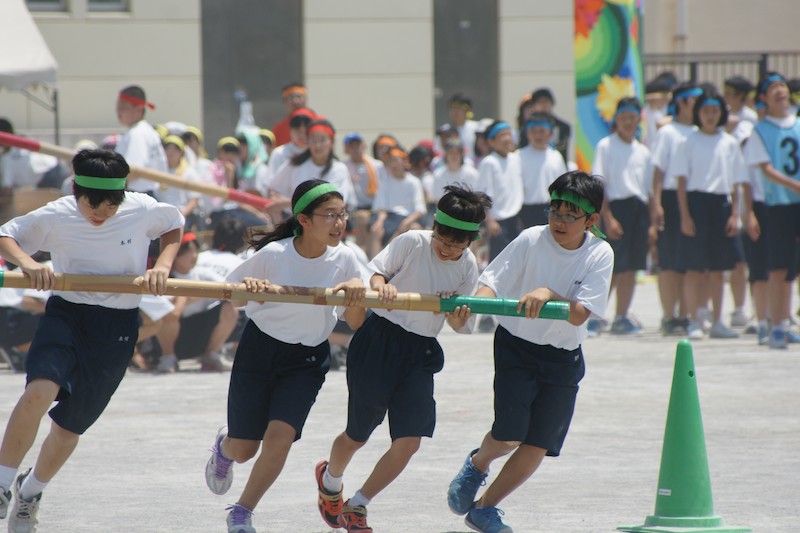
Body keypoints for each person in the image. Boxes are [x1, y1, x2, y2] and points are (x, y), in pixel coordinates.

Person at [0, 148, 183, 531]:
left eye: (110, 206)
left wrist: (163, 265)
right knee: (39, 392)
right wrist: (29, 263)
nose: (100, 213)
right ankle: (1, 484)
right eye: (91, 204)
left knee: (69, 429)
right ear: (76, 191)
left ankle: (30, 492)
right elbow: (6, 235)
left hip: (117, 326)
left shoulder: (140, 208)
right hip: (67, 314)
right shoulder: (58, 213)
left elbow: (173, 224)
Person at [315, 184, 490, 533]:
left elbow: (461, 325)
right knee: (358, 434)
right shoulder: (413, 242)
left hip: (421, 351)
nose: (446, 249)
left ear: (471, 242)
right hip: (379, 340)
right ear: (434, 226)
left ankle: (358, 504)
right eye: (442, 240)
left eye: (456, 246)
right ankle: (330, 480)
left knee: (409, 441)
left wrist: (455, 312)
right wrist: (382, 285)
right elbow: (376, 272)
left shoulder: (468, 265)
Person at [446, 170, 613, 533]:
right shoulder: (531, 239)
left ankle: (485, 509)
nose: (559, 221)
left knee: (538, 444)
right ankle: (477, 464)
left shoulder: (600, 253)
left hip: (564, 356)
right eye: (555, 211)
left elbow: (581, 313)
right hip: (516, 347)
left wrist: (549, 293)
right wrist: (471, 307)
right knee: (509, 435)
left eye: (570, 215)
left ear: (591, 220)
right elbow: (492, 282)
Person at [202, 180, 366, 533]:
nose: (340, 223)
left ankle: (242, 511)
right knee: (244, 450)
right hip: (259, 351)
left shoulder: (347, 258)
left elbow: (355, 322)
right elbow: (232, 297)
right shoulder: (274, 254)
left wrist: (356, 292)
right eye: (330, 215)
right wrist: (250, 288)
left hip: (307, 361)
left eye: (343, 214)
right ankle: (224, 447)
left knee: (279, 438)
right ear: (303, 219)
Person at [675, 91, 745, 340]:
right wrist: (685, 215)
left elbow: (736, 183)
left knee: (718, 269)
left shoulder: (729, 142)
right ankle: (694, 321)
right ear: (698, 113)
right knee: (694, 268)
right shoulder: (688, 140)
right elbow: (681, 182)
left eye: (715, 111)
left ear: (721, 114)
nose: (710, 116)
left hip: (721, 205)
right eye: (705, 111)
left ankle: (717, 321)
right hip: (696, 204)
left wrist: (735, 214)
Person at [743, 72, 800, 349]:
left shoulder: (798, 124)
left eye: (782, 85)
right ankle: (776, 326)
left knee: (792, 270)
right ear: (764, 98)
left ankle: (786, 322)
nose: (780, 90)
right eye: (772, 87)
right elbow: (766, 169)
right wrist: (795, 185)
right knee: (779, 267)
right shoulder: (760, 131)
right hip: (779, 206)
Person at [592, 97, 652, 335]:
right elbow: (600, 183)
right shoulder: (606, 145)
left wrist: (652, 221)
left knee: (631, 267)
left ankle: (621, 316)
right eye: (623, 117)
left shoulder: (643, 151)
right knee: (613, 267)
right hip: (616, 208)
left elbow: (648, 189)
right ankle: (595, 316)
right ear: (616, 119)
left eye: (632, 117)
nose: (628, 122)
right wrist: (607, 217)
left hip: (639, 210)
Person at [650, 82, 702, 336]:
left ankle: (685, 314)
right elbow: (658, 172)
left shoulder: (699, 132)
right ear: (681, 102)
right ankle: (669, 316)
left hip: (694, 198)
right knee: (669, 262)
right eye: (694, 100)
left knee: (688, 263)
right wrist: (657, 204)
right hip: (671, 198)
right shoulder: (668, 132)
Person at [269, 119, 357, 212]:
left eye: (322, 140)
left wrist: (288, 202)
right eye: (313, 140)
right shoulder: (294, 164)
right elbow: (274, 190)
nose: (317, 145)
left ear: (332, 142)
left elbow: (332, 201)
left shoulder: (338, 168)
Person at [476, 120, 523, 262]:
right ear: (491, 141)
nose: (507, 138)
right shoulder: (489, 162)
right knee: (499, 260)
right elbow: (483, 194)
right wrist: (490, 220)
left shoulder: (516, 158)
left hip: (515, 218)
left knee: (517, 259)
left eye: (509, 134)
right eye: (502, 135)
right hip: (498, 221)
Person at [368, 147, 426, 258]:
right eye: (391, 161)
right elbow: (381, 209)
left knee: (411, 229)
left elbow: (419, 209)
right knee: (376, 231)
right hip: (389, 218)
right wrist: (379, 222)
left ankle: (385, 259)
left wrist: (406, 221)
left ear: (405, 162)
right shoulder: (385, 182)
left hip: (407, 218)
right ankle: (374, 263)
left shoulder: (414, 182)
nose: (393, 164)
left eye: (395, 160)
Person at [114, 85, 168, 195]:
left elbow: (133, 171)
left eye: (123, 106)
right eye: (118, 106)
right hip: (144, 194)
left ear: (139, 109)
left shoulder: (137, 133)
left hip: (137, 195)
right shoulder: (143, 130)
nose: (118, 111)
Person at [518, 112, 568, 228]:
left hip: (551, 208)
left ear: (550, 133)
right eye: (533, 131)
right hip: (525, 209)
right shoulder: (518, 156)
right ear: (527, 133)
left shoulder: (556, 156)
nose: (538, 135)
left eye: (541, 131)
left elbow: (563, 186)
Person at [342, 132, 381, 252]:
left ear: (363, 146)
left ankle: (364, 254)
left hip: (374, 207)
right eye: (352, 146)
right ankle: (360, 253)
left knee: (371, 224)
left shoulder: (376, 165)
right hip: (352, 208)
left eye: (358, 145)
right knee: (362, 218)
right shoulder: (343, 167)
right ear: (346, 149)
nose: (356, 149)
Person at [159, 135, 202, 229]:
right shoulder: (158, 171)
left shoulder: (189, 172)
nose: (170, 152)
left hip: (182, 216)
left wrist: (181, 216)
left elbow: (194, 199)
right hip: (161, 218)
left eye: (175, 149)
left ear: (181, 152)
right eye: (168, 149)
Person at [271, 83, 309, 147]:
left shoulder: (318, 123)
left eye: (299, 96)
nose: (296, 101)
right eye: (291, 97)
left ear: (306, 99)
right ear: (284, 101)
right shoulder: (278, 129)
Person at [724, 75, 759, 143]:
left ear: (740, 95)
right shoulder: (722, 114)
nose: (725, 96)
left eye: (729, 93)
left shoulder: (752, 117)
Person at [448, 93, 480, 160]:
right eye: (453, 108)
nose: (455, 111)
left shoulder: (476, 128)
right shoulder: (445, 130)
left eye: (459, 108)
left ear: (467, 110)